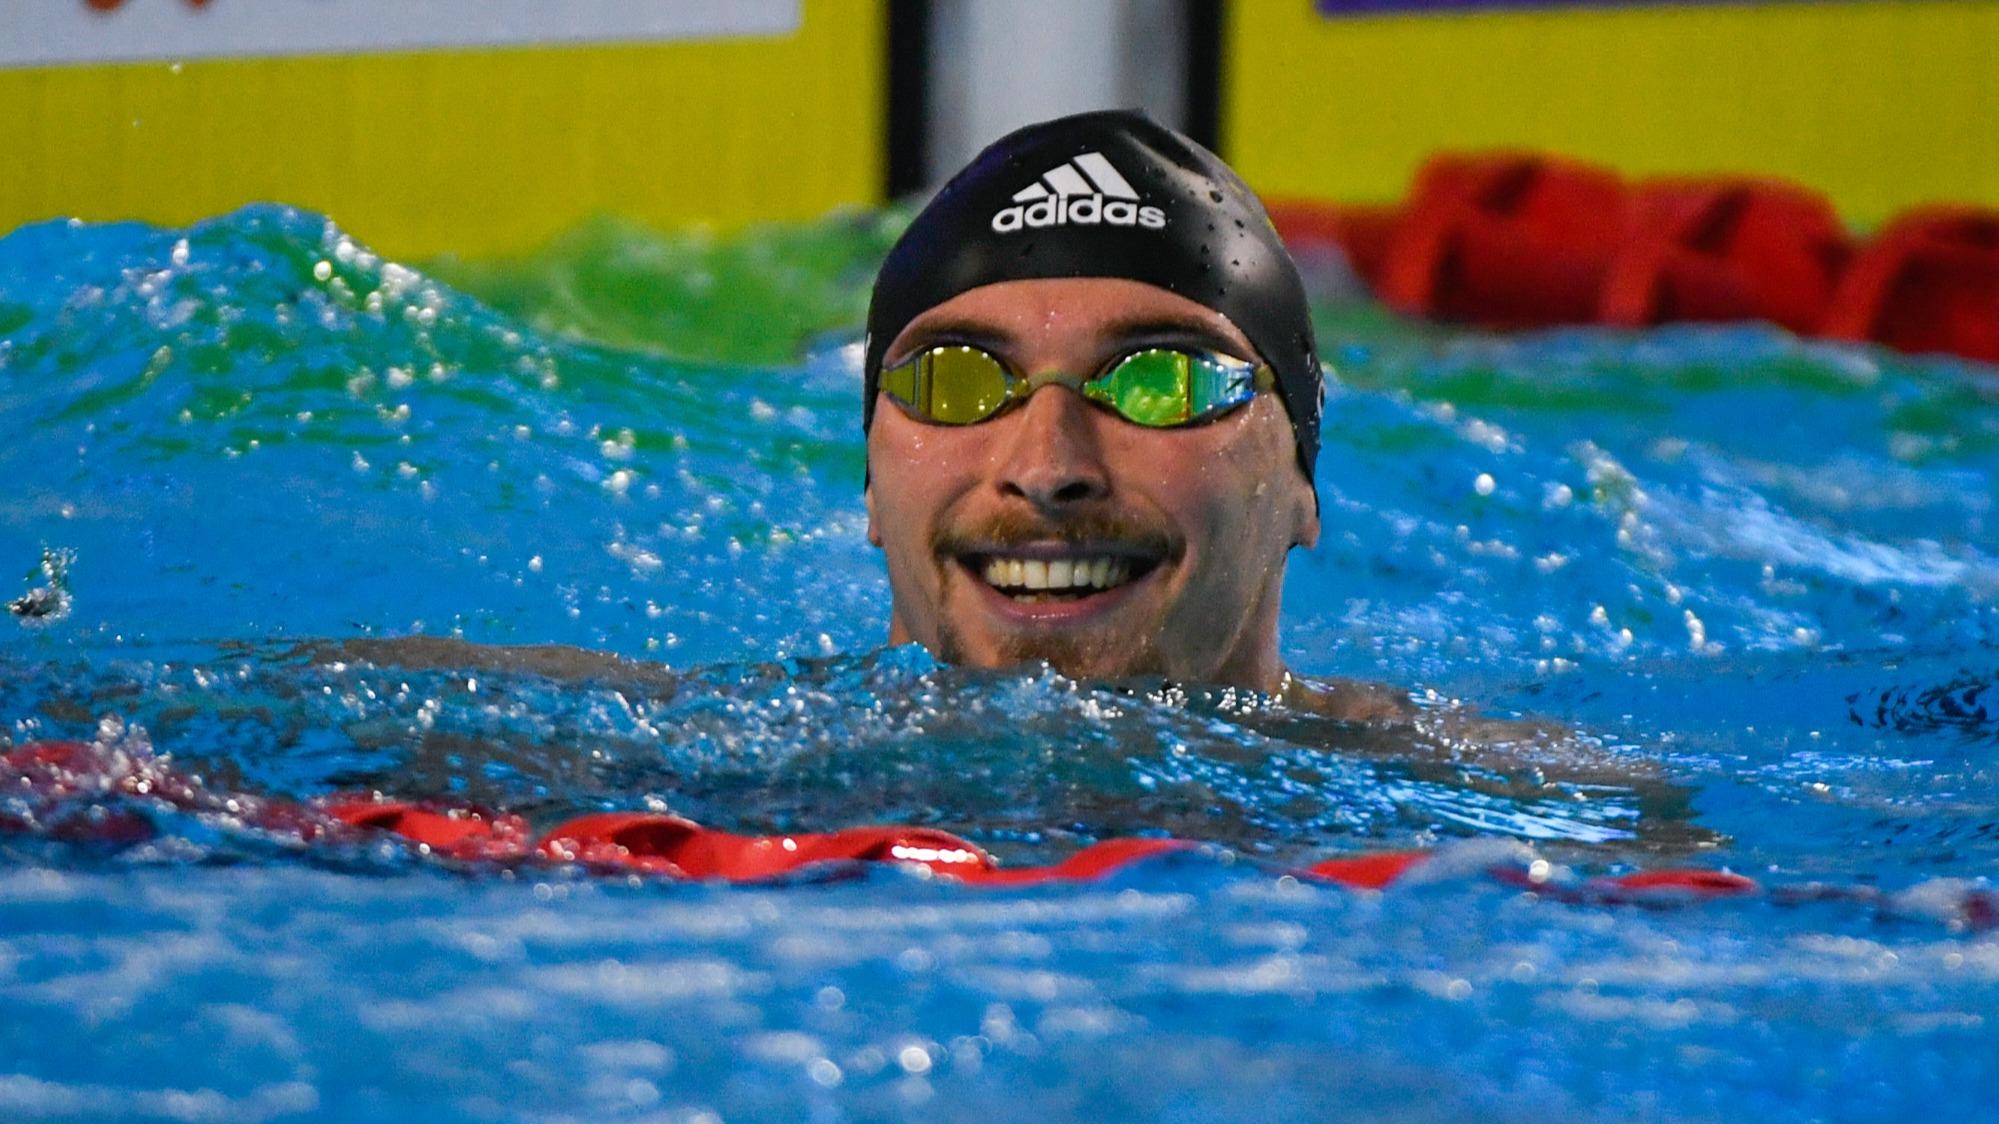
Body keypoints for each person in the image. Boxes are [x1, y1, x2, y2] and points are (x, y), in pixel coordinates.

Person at [861, 108, 1406, 719]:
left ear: (1301, 486)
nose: (1046, 469)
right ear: (874, 490)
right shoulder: (748, 770)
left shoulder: (1467, 790)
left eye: (1166, 381)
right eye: (955, 380)